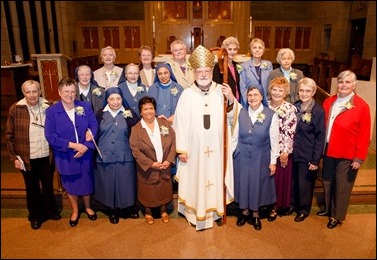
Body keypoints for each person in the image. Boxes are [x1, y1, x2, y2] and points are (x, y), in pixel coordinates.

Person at [173, 45, 237, 231]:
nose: (203, 74)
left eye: (206, 71)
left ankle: (216, 211)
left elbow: (232, 118)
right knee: (196, 179)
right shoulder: (187, 95)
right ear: (194, 73)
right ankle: (196, 214)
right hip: (194, 151)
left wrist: (231, 99)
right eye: (199, 71)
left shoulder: (221, 91)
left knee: (216, 179)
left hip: (217, 149)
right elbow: (180, 123)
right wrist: (181, 150)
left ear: (211, 71)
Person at [5, 80, 61, 230]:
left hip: (46, 154)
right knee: (32, 187)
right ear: (23, 93)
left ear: (40, 91)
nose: (32, 95)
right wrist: (14, 157)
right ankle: (35, 215)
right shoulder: (16, 109)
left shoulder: (49, 106)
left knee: (48, 185)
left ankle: (50, 210)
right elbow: (9, 136)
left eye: (34, 91)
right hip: (26, 157)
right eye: (28, 92)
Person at [318, 70, 371, 229]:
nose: (344, 85)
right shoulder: (329, 101)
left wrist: (358, 157)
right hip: (328, 150)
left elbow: (364, 134)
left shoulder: (361, 106)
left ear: (354, 85)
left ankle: (336, 216)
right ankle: (328, 209)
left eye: (348, 82)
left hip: (347, 154)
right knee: (327, 181)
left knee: (342, 186)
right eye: (341, 82)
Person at [44, 77, 98, 227]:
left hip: (85, 153)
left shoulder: (85, 106)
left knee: (86, 182)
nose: (70, 95)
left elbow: (94, 126)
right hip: (66, 155)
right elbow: (50, 135)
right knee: (71, 184)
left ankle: (88, 207)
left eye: (73, 91)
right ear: (60, 92)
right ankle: (75, 210)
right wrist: (74, 145)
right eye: (66, 91)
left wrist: (86, 145)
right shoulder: (52, 111)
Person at [231, 86, 280, 230]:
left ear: (262, 97)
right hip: (242, 155)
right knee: (243, 183)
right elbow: (235, 136)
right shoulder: (241, 113)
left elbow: (274, 140)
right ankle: (244, 211)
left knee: (257, 184)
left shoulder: (271, 114)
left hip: (261, 155)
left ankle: (256, 213)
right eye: (249, 95)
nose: (252, 98)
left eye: (255, 95)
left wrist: (273, 161)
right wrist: (231, 155)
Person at [94, 87, 140, 224]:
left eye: (118, 98)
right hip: (105, 156)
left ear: (122, 99)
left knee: (126, 184)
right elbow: (92, 132)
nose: (115, 102)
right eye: (111, 99)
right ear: (106, 100)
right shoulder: (100, 114)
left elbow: (139, 131)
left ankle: (127, 208)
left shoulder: (129, 113)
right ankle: (112, 210)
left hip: (125, 155)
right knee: (108, 184)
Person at [129, 96, 176, 225]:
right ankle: (148, 211)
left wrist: (169, 160)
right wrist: (151, 164)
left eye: (151, 108)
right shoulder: (136, 129)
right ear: (140, 112)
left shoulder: (164, 124)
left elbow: (173, 142)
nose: (149, 111)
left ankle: (163, 210)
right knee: (148, 192)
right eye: (145, 109)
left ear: (155, 110)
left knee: (163, 189)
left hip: (164, 165)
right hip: (148, 169)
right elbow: (135, 150)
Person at [290, 77, 325, 222]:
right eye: (302, 90)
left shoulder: (318, 111)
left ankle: (304, 209)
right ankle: (293, 204)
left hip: (308, 153)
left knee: (305, 184)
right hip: (294, 151)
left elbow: (320, 137)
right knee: (294, 181)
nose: (304, 94)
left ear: (314, 92)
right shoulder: (295, 106)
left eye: (308, 91)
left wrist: (315, 160)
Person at [267, 77, 297, 220]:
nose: (277, 93)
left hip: (281, 152)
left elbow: (290, 132)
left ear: (285, 93)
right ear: (270, 90)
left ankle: (275, 206)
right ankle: (265, 203)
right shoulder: (264, 105)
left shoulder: (289, 108)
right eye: (275, 89)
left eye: (281, 90)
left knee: (277, 181)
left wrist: (285, 152)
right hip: (265, 149)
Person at [239, 38, 273, 107]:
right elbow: (243, 88)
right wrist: (249, 102)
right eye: (254, 48)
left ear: (263, 51)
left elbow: (271, 84)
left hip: (265, 102)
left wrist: (269, 99)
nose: (257, 50)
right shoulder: (243, 67)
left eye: (260, 48)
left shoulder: (268, 65)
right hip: (250, 102)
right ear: (251, 51)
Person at [213, 36, 242, 103]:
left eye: (235, 49)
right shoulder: (219, 66)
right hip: (225, 101)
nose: (232, 52)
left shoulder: (237, 65)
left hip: (237, 101)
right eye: (230, 49)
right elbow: (216, 86)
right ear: (224, 50)